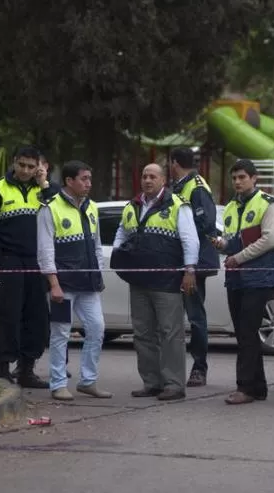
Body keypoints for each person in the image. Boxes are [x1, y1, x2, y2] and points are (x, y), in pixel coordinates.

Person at [111, 163, 198, 401]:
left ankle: (173, 384)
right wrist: (118, 251)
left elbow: (191, 240)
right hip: (139, 280)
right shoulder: (133, 205)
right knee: (142, 334)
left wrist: (189, 270)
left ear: (163, 180)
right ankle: (152, 382)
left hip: (167, 280)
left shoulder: (177, 205)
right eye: (144, 175)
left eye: (152, 176)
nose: (147, 180)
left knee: (170, 333)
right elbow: (122, 232)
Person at [0, 146, 53, 387]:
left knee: (36, 316)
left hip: (37, 261)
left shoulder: (42, 189)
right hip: (10, 259)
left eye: (31, 166)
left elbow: (59, 207)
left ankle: (26, 369)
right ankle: (4, 368)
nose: (26, 171)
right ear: (14, 163)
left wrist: (45, 184)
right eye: (22, 165)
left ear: (38, 166)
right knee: (10, 314)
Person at [37, 160, 112, 402]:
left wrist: (98, 273)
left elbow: (97, 244)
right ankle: (58, 384)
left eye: (90, 179)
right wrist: (54, 283)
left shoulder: (91, 208)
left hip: (88, 284)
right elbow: (45, 251)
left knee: (97, 328)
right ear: (69, 181)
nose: (89, 184)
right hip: (63, 285)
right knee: (61, 333)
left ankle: (88, 381)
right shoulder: (50, 208)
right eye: (84, 179)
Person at [213, 159, 274, 404]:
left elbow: (270, 240)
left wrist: (237, 257)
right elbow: (235, 239)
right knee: (246, 333)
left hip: (259, 276)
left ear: (254, 179)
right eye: (234, 178)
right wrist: (223, 245)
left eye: (242, 177)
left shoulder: (267, 204)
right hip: (236, 278)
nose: (237, 182)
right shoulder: (232, 207)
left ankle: (244, 388)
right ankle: (258, 387)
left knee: (246, 331)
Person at [168, 147, 219, 387]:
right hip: (180, 261)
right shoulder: (181, 185)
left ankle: (200, 368)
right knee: (176, 317)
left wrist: (189, 261)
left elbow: (205, 224)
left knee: (196, 317)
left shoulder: (196, 187)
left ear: (174, 163)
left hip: (195, 263)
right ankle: (173, 368)